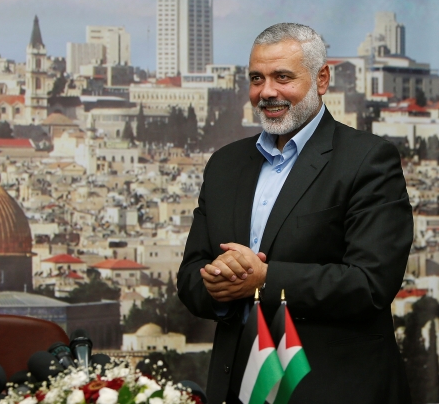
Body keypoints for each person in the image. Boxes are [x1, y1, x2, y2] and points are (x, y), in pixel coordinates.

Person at [177, 23, 413, 404]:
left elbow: (371, 284)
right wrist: (217, 285)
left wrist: (264, 280)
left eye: (282, 77)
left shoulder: (367, 160)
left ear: (322, 79)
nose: (267, 91)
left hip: (333, 390)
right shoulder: (225, 165)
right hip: (239, 388)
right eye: (257, 78)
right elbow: (190, 276)